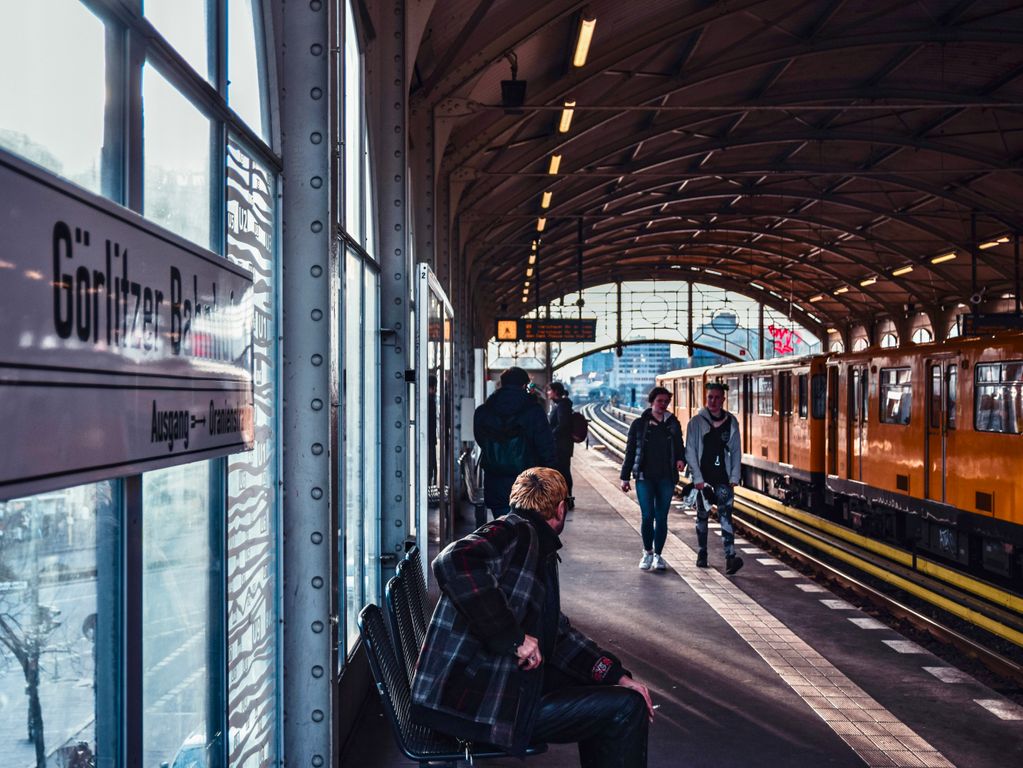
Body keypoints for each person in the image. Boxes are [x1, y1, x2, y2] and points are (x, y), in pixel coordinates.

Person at [411, 467, 653, 766]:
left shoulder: (530, 540)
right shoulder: (518, 532)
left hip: (466, 696)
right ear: (561, 508)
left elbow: (557, 633)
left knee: (604, 694)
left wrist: (613, 674)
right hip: (475, 706)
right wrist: (512, 638)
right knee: (625, 708)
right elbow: (453, 559)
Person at [474, 366, 557, 519]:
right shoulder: (534, 411)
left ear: (502, 384)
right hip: (528, 483)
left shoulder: (484, 411)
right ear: (525, 386)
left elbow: (481, 440)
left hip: (495, 481)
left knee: (502, 527)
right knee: (526, 529)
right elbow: (546, 447)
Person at [619, 387, 685, 572]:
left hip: (666, 477)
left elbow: (680, 446)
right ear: (652, 402)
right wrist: (624, 477)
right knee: (648, 516)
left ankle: (658, 556)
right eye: (660, 401)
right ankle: (647, 552)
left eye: (666, 402)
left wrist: (681, 459)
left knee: (662, 517)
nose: (663, 405)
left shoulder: (673, 424)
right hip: (644, 477)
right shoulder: (639, 424)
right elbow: (630, 451)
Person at [685, 381, 743, 574]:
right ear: (706, 398)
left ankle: (730, 557)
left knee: (726, 516)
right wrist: (697, 478)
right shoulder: (696, 422)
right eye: (710, 397)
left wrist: (735, 475)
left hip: (723, 479)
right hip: (704, 480)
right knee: (702, 515)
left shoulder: (731, 422)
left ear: (723, 399)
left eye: (717, 397)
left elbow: (736, 450)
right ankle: (702, 553)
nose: (713, 401)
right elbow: (690, 452)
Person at [546, 381, 575, 509]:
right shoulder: (561, 405)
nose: (547, 393)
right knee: (563, 472)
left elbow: (563, 425)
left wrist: (551, 435)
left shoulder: (562, 406)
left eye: (549, 390)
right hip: (562, 445)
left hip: (561, 446)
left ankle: (567, 499)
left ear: (555, 392)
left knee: (563, 472)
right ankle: (566, 498)